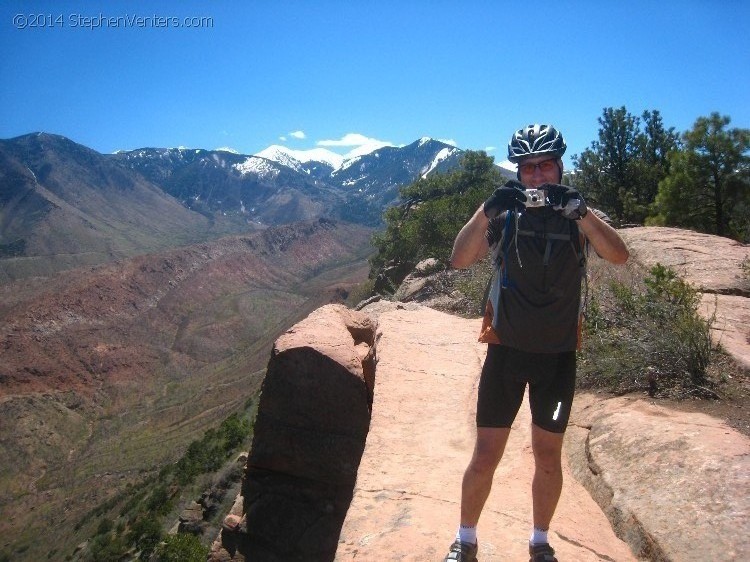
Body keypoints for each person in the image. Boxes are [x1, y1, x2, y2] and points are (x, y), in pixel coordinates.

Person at [443, 124, 629, 562]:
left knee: (548, 457)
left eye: (546, 165)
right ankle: (465, 539)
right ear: (519, 172)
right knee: (485, 454)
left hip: (558, 360)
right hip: (505, 353)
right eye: (529, 168)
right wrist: (486, 210)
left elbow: (619, 255)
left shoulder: (578, 214)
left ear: (560, 166)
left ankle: (540, 541)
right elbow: (459, 259)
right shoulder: (505, 214)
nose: (538, 176)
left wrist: (582, 213)